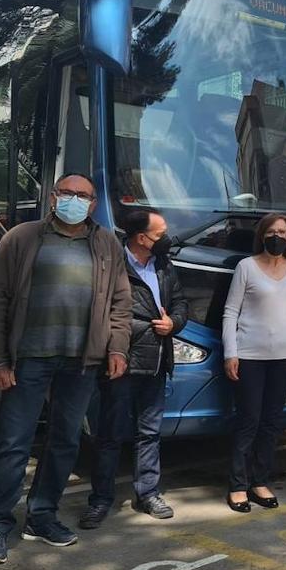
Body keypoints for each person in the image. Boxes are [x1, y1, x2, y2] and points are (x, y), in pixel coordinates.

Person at [0, 173, 132, 565]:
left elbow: (120, 302)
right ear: (53, 197)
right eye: (69, 193)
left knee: (65, 441)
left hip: (81, 362)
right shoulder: (22, 237)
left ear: (94, 204)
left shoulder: (106, 243)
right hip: (27, 359)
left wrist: (117, 348)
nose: (76, 200)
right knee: (13, 443)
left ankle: (42, 516)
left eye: (84, 196)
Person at [80, 209, 189, 529]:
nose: (168, 239)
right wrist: (142, 329)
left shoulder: (164, 266)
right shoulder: (114, 265)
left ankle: (149, 493)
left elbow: (181, 303)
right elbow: (105, 312)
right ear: (141, 238)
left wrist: (174, 323)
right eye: (161, 234)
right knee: (110, 435)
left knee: (150, 434)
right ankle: (100, 499)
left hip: (156, 362)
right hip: (121, 363)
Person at [221, 214, 286, 513]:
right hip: (250, 356)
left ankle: (260, 480)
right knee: (249, 421)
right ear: (262, 235)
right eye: (272, 231)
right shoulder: (246, 267)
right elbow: (230, 311)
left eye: (283, 232)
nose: (277, 236)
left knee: (271, 423)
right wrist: (230, 353)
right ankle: (237, 485)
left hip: (284, 357)